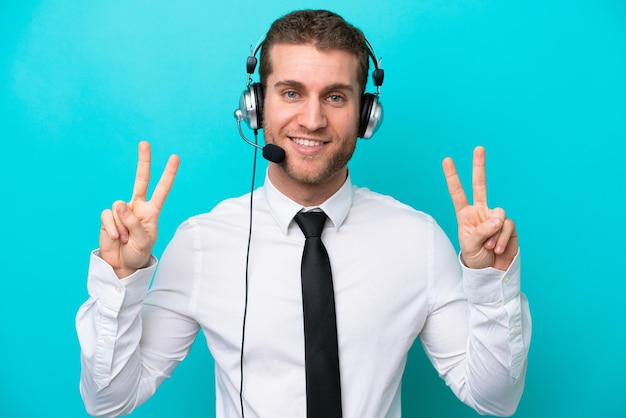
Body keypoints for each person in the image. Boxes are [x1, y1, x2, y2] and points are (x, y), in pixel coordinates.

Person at [76, 9, 531, 418]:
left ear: (366, 114)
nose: (312, 120)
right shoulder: (201, 242)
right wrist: (120, 280)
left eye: (335, 97)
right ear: (256, 106)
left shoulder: (417, 239)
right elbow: (110, 400)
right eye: (291, 92)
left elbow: (495, 399)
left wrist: (490, 282)